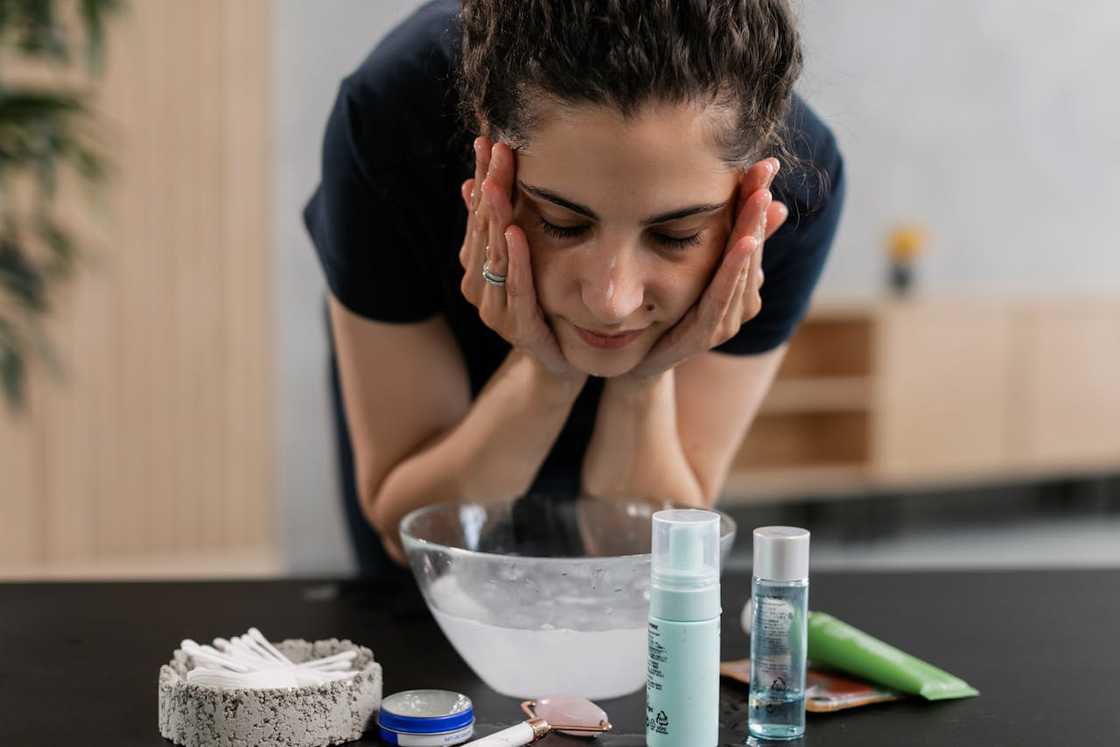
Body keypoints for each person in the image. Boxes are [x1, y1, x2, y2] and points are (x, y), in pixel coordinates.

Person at [304, 0, 846, 577]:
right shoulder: (391, 117)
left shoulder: (796, 189)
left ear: (747, 190)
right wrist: (547, 372)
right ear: (490, 153)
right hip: (436, 524)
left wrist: (643, 379)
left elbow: (645, 562)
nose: (611, 302)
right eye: (562, 223)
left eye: (676, 234)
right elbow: (405, 531)